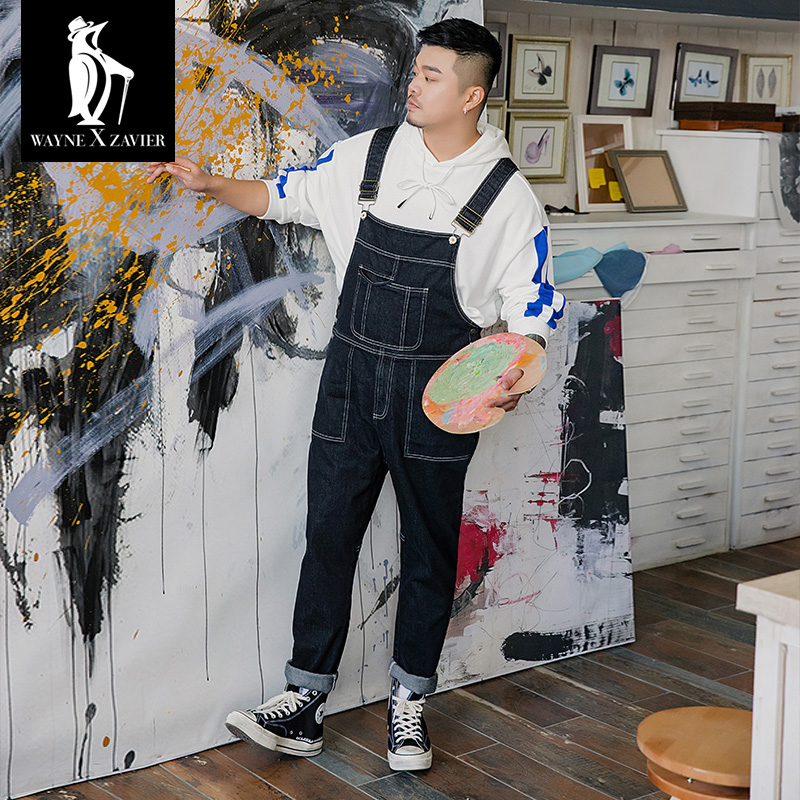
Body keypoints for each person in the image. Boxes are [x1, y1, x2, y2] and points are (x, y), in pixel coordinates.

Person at [146, 17, 564, 772]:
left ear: (471, 95)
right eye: (416, 70)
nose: (414, 83)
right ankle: (303, 702)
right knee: (329, 536)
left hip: (437, 393)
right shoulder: (369, 155)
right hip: (349, 380)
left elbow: (532, 312)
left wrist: (514, 373)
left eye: (432, 75)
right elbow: (286, 196)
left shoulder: (508, 197)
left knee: (429, 550)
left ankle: (410, 706)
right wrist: (212, 185)